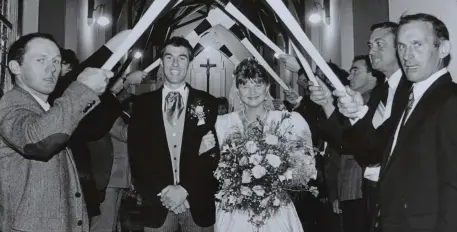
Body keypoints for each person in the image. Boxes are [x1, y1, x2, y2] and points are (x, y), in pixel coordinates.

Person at [0, 33, 113, 232]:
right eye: (40, 60)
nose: (51, 68)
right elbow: (36, 140)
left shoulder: (43, 107)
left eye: (56, 61)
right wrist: (83, 88)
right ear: (15, 67)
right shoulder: (10, 104)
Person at [110, 36, 220, 232]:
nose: (175, 63)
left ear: (190, 62)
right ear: (162, 62)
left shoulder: (207, 102)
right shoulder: (143, 104)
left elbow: (211, 155)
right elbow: (138, 157)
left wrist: (185, 189)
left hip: (196, 200)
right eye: (169, 57)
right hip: (158, 201)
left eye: (182, 58)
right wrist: (165, 194)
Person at [214, 58, 315, 232]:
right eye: (245, 86)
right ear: (237, 90)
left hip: (275, 208)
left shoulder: (287, 121)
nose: (251, 91)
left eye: (258, 84)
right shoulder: (222, 124)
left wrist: (280, 178)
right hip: (235, 210)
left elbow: (307, 166)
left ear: (267, 87)